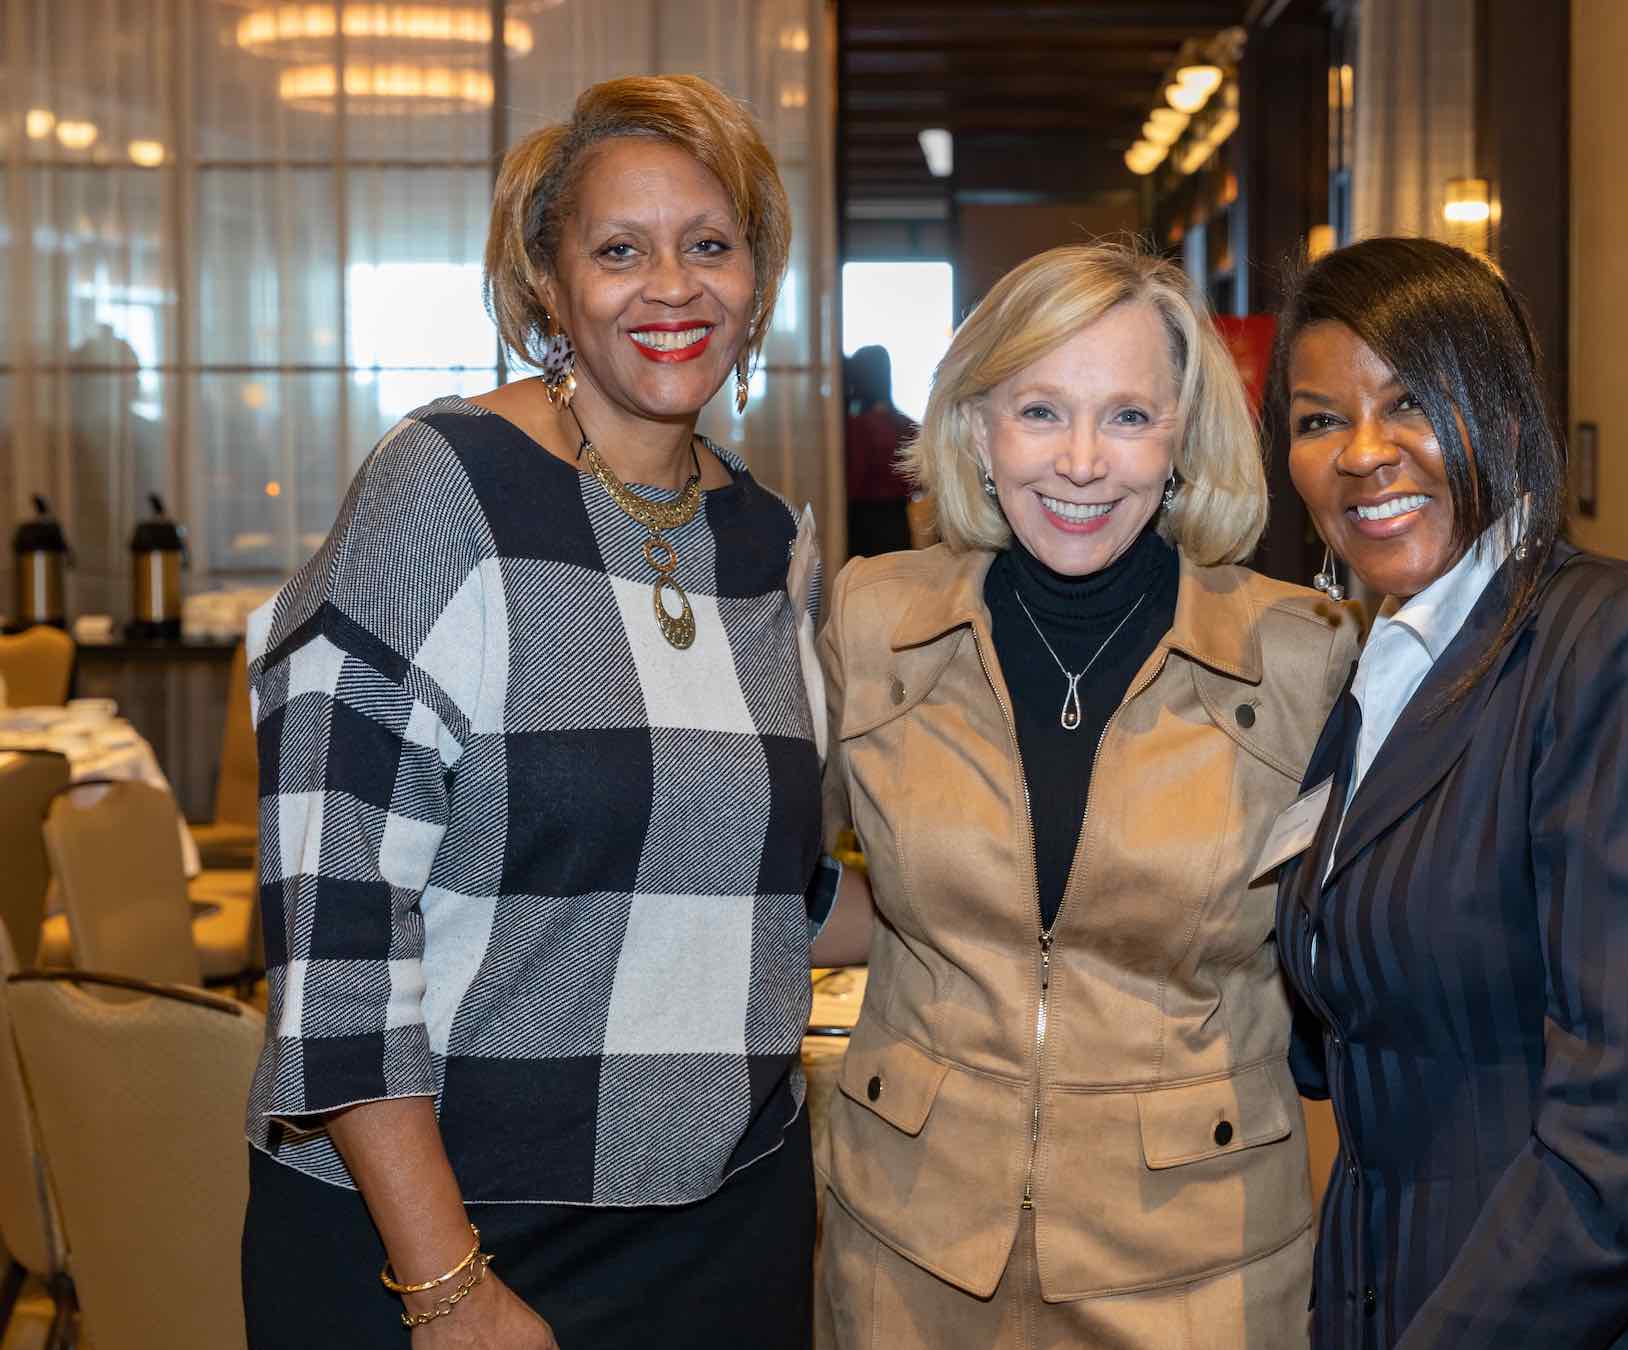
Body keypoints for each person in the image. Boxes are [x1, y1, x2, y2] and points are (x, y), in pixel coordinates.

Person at [240, 75, 833, 1346]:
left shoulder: (769, 542)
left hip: (727, 1222)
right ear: (547, 289)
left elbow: (770, 898)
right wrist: (447, 1283)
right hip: (450, 1231)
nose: (672, 287)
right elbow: (329, 928)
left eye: (710, 245)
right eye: (619, 250)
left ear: (757, 280)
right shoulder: (445, 492)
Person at [811, 240, 1355, 1347]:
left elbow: (1357, 950)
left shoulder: (1303, 655)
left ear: (1184, 442)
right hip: (907, 1245)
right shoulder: (872, 620)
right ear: (976, 428)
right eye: (1041, 411)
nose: (1080, 462)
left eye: (1127, 417)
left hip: (1198, 1261)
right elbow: (763, 869)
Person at [1267, 237, 1628, 1349]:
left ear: (1503, 417)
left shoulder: (1617, 644)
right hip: (1397, 1272)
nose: (1362, 455)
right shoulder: (1378, 670)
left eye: (1410, 403)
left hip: (1573, 1305)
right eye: (1319, 421)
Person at [843, 344, 919, 557]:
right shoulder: (907, 426)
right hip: (898, 523)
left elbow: (852, 478)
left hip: (860, 524)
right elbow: (919, 481)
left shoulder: (850, 428)